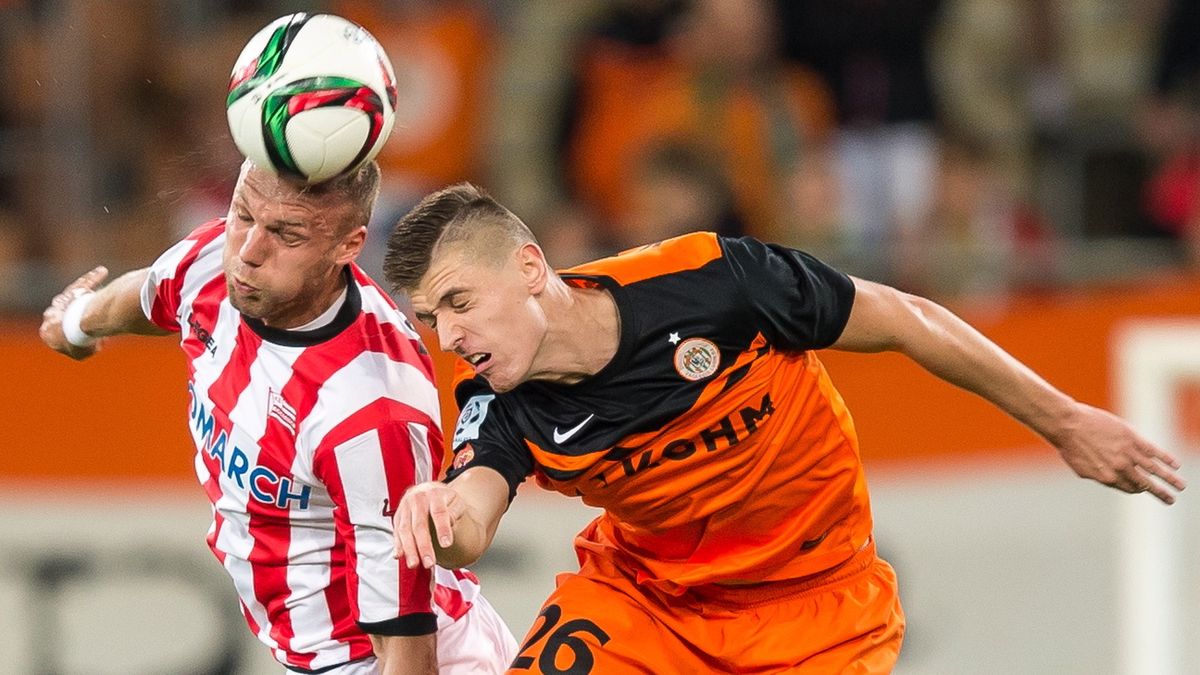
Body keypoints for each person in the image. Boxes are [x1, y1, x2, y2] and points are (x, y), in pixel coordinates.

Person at [382, 182, 1186, 673]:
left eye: (459, 301)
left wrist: (1064, 420)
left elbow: (904, 319)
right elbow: (472, 515)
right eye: (430, 317)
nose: (449, 336)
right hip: (649, 603)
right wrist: (440, 517)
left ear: (530, 267)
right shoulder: (497, 399)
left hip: (818, 608)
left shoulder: (710, 281)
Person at [38, 162, 518, 675]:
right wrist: (75, 323)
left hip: (390, 660)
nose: (248, 251)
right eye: (243, 216)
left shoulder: (371, 414)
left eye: (287, 235)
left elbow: (405, 640)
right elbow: (157, 293)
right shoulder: (216, 261)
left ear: (348, 246)